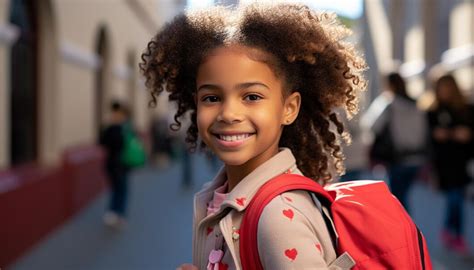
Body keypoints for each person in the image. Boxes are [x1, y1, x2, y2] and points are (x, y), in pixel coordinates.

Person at [140, 3, 366, 269]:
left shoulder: (278, 217)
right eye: (212, 97)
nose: (229, 113)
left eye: (252, 97)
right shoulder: (224, 194)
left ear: (289, 108)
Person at [361, 72, 428, 212]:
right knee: (404, 196)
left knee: (397, 199)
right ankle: (408, 228)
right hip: (416, 157)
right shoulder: (416, 105)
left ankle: (404, 231)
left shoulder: (387, 103)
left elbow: (371, 126)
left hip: (395, 158)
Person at [427, 74, 473, 255]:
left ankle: (453, 233)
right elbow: (429, 140)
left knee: (456, 199)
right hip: (443, 164)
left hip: (462, 164)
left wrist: (467, 135)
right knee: (454, 199)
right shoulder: (432, 111)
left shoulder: (467, 109)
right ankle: (453, 233)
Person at [99, 101, 131, 229]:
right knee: (118, 189)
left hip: (122, 164)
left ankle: (118, 214)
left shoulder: (125, 128)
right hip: (115, 164)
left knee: (121, 189)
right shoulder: (115, 128)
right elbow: (102, 142)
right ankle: (114, 213)